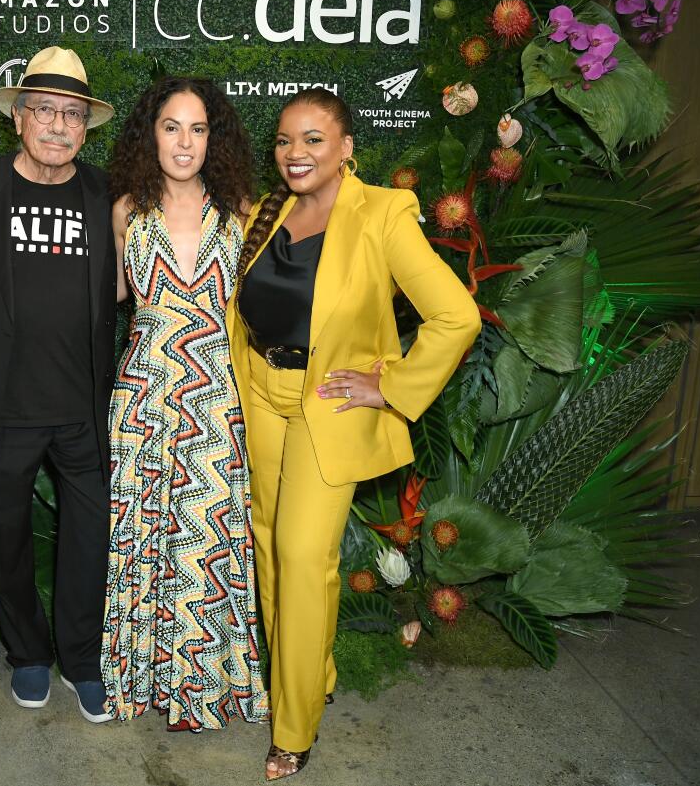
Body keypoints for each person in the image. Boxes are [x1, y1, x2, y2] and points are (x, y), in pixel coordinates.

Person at [227, 89, 480, 780]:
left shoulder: (381, 214)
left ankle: (294, 728)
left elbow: (456, 315)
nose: (295, 153)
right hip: (263, 401)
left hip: (326, 409)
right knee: (273, 556)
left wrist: (390, 385)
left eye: (313, 139)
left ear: (345, 148)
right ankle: (309, 677)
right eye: (283, 141)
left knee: (306, 559)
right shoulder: (270, 210)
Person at [0, 46, 118, 722]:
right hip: (0, 405)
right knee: (4, 538)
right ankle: (29, 654)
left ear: (85, 126)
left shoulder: (107, 196)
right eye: (44, 110)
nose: (59, 126)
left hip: (83, 406)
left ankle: (81, 656)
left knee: (90, 537)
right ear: (19, 118)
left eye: (73, 114)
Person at [101, 76, 269, 731]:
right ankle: (139, 677)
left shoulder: (243, 215)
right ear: (151, 133)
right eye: (172, 126)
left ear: (214, 139)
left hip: (214, 397)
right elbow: (105, 301)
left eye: (198, 129)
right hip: (142, 397)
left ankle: (199, 686)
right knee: (142, 538)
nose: (184, 141)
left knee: (204, 540)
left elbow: (274, 307)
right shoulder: (125, 213)